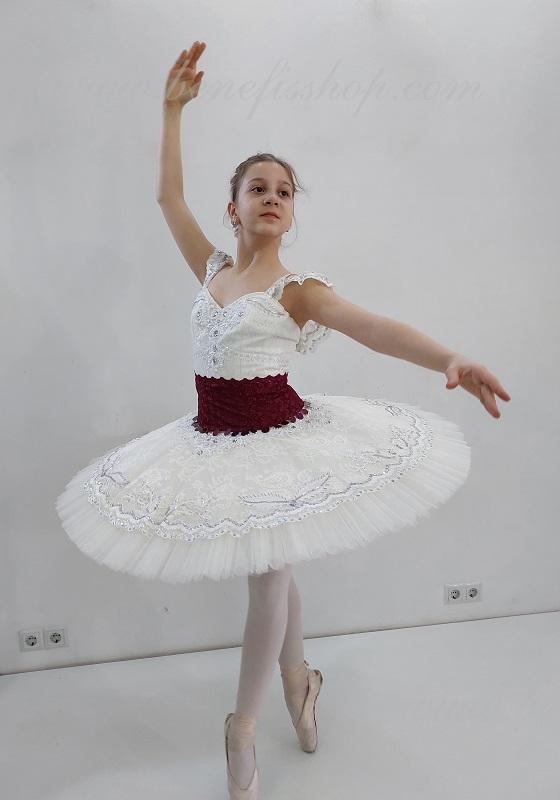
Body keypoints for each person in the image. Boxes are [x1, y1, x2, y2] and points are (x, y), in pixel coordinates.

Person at [55, 41, 511, 799]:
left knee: (267, 581)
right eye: (258, 188)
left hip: (278, 441)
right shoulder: (212, 270)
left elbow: (374, 327)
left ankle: (241, 726)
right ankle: (300, 681)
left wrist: (449, 357)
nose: (273, 197)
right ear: (232, 206)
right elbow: (167, 199)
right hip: (211, 441)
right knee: (277, 569)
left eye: (285, 192)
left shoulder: (297, 291)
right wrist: (171, 112)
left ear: (291, 213)